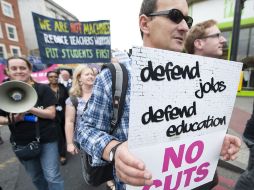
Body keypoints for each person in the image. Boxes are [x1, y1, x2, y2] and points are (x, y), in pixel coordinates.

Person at [76, 0, 241, 189]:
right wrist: (114, 149)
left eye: (187, 19)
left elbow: (190, 127)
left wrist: (214, 140)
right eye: (175, 16)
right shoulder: (116, 76)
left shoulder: (197, 77)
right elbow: (84, 130)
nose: (185, 27)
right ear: (145, 24)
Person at [0, 56, 64, 190]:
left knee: (52, 176)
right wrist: (12, 119)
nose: (19, 71)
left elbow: (51, 113)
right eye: (14, 68)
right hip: (22, 142)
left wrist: (28, 107)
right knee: (36, 176)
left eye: (22, 68)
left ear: (29, 70)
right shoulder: (3, 92)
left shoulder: (42, 89)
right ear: (8, 71)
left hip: (47, 139)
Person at [184, 19, 229, 190]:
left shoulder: (219, 77)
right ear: (199, 43)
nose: (223, 40)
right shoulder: (176, 75)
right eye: (217, 35)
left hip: (205, 166)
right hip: (179, 170)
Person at [47, 70, 69, 165]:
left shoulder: (62, 87)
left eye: (55, 76)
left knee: (65, 133)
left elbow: (68, 100)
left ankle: (67, 145)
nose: (53, 78)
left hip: (64, 114)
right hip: (53, 116)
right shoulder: (46, 89)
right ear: (48, 78)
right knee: (58, 134)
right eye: (51, 77)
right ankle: (62, 154)